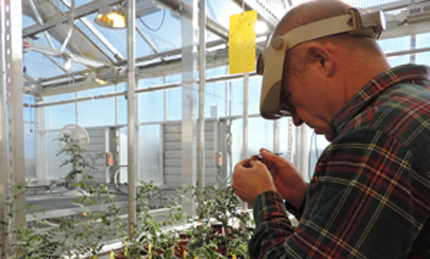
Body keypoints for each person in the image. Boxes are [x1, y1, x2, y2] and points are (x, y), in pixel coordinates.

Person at [232, 0, 430, 258]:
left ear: (321, 60)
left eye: (290, 99)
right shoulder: (411, 107)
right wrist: (302, 196)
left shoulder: (376, 135)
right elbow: (369, 236)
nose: (296, 120)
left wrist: (264, 198)